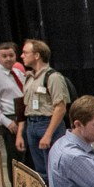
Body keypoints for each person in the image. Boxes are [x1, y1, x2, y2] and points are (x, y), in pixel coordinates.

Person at [19, 38, 71, 175]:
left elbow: (60, 108)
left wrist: (48, 134)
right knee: (40, 170)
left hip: (48, 123)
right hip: (32, 124)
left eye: (25, 52)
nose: (22, 56)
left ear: (37, 55)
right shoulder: (30, 78)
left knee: (54, 168)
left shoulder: (53, 77)